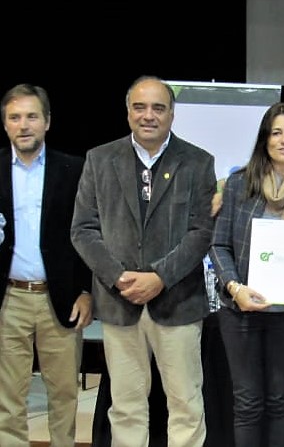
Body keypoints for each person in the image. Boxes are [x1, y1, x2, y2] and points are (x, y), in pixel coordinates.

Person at [70, 76, 216, 447]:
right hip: (119, 304)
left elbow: (201, 232)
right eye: (140, 107)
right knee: (126, 407)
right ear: (128, 112)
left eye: (158, 108)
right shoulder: (99, 160)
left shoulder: (198, 162)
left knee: (185, 405)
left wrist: (159, 277)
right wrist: (118, 277)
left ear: (172, 114)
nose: (148, 115)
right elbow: (83, 230)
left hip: (178, 304)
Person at [209, 101, 284, 447]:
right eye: (276, 133)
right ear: (265, 140)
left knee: (281, 400)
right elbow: (218, 245)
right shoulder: (239, 184)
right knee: (247, 403)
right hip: (240, 310)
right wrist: (235, 288)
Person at [0, 83, 93, 446]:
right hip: (9, 300)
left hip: (62, 300)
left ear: (47, 121)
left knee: (64, 395)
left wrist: (86, 290)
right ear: (5, 124)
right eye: (15, 117)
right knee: (8, 399)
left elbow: (89, 235)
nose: (23, 125)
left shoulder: (74, 169)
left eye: (31, 116)